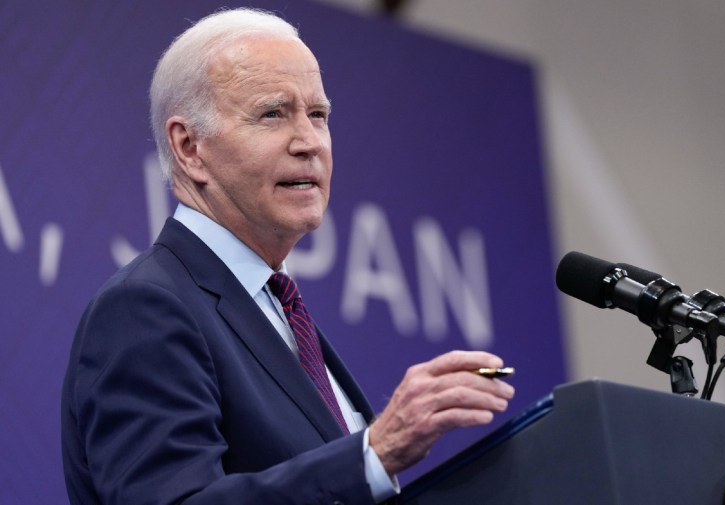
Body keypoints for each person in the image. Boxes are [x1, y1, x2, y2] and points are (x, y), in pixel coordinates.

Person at [60, 8, 514, 505]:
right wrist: (373, 453)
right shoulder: (144, 308)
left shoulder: (276, 308)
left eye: (318, 115)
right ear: (189, 147)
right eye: (273, 113)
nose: (309, 143)